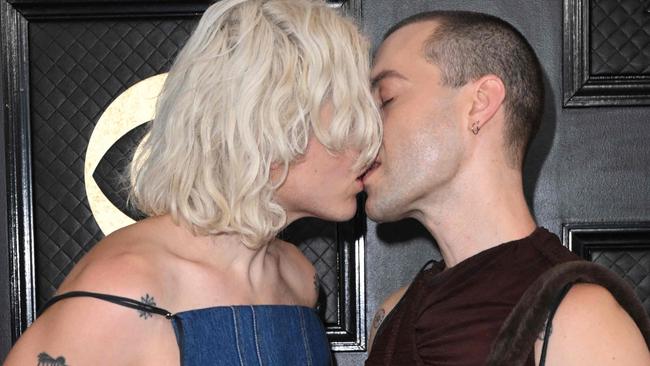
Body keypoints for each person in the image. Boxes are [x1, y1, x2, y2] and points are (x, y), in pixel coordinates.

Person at [3, 0, 381, 365]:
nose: (369, 145)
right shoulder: (127, 285)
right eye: (348, 120)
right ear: (272, 127)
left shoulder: (299, 278)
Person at [362, 10, 650, 366]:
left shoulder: (579, 319)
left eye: (386, 98)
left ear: (480, 103)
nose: (362, 131)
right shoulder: (391, 315)